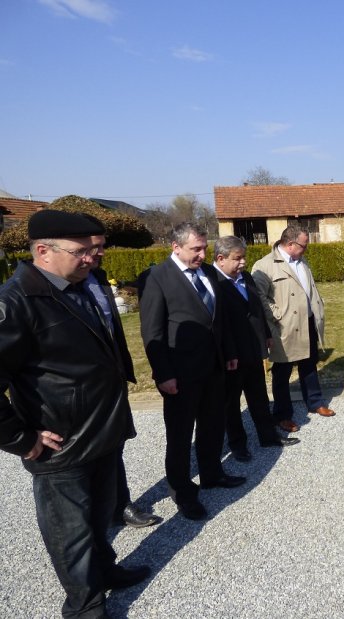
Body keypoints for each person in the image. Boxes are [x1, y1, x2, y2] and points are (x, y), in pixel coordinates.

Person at [0, 210, 150, 618]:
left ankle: (105, 571)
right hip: (60, 444)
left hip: (100, 433)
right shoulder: (16, 301)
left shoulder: (78, 286)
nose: (91, 258)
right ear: (43, 251)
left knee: (100, 517)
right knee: (71, 534)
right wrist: (20, 438)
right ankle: (85, 607)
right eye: (81, 251)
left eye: (93, 250)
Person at [138, 222, 244, 521]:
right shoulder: (157, 278)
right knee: (181, 436)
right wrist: (163, 374)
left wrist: (231, 352)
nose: (202, 254)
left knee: (212, 426)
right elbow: (152, 331)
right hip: (180, 374)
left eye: (204, 248)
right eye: (195, 249)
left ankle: (212, 474)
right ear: (176, 247)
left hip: (214, 367)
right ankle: (183, 492)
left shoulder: (209, 273)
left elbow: (220, 320)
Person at [81, 217, 162, 528]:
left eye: (103, 246)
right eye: (95, 247)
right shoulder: (41, 292)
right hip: (75, 395)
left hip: (110, 384)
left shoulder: (98, 278)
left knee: (114, 447)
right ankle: (93, 517)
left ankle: (120, 504)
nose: (102, 253)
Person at [213, 235, 300, 461]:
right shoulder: (213, 282)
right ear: (220, 259)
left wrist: (267, 335)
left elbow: (258, 310)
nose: (243, 263)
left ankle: (268, 436)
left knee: (259, 396)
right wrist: (229, 351)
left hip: (253, 349)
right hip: (230, 355)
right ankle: (238, 444)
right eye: (237, 259)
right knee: (231, 403)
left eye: (244, 258)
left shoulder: (246, 278)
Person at [251, 227, 335, 433]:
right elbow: (259, 297)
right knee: (282, 371)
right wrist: (277, 315)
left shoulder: (301, 261)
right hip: (284, 327)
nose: (306, 249)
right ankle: (282, 414)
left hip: (307, 322)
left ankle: (315, 402)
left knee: (309, 364)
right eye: (303, 246)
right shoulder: (264, 265)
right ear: (290, 244)